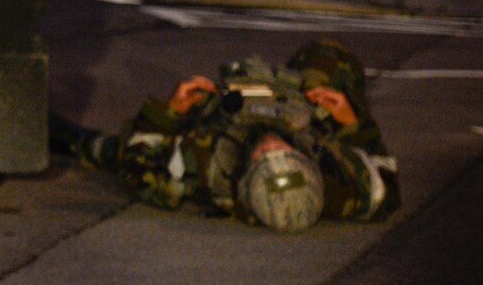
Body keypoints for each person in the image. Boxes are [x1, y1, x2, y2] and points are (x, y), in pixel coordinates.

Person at [55, 38, 399, 233]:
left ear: (246, 177)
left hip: (212, 127)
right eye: (284, 152)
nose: (271, 144)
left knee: (110, 151)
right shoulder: (337, 186)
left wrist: (169, 113)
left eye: (263, 157)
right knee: (328, 57)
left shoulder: (205, 169)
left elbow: (138, 169)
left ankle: (62, 136)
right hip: (302, 111)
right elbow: (385, 185)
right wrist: (354, 124)